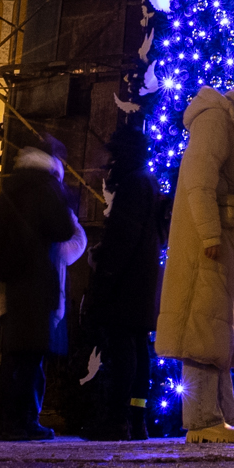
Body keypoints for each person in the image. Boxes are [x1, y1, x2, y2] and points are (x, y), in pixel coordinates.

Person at [155, 65, 234, 444]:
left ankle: (222, 416)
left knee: (215, 325)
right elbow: (199, 180)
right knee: (202, 324)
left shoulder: (225, 125)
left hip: (219, 244)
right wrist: (209, 233)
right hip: (208, 245)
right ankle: (203, 419)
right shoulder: (217, 123)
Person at [0, 136, 86, 441]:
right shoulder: (46, 188)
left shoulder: (14, 186)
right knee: (32, 358)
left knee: (14, 357)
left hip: (14, 285)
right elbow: (63, 229)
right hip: (37, 284)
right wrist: (66, 201)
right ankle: (25, 421)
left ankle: (9, 420)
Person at [77, 122, 163, 440]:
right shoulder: (147, 182)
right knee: (138, 352)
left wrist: (105, 271)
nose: (109, 161)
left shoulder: (132, 185)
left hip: (125, 285)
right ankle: (136, 418)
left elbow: (123, 238)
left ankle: (117, 419)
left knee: (123, 352)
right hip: (140, 283)